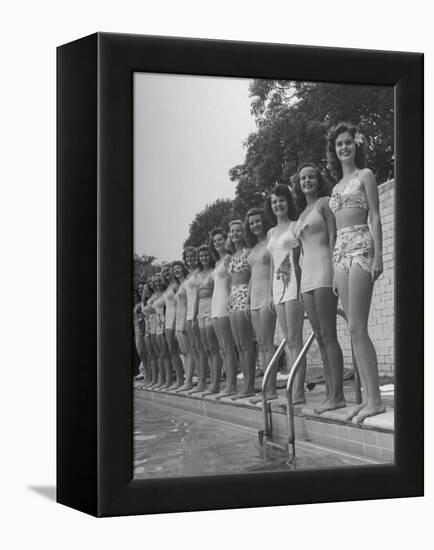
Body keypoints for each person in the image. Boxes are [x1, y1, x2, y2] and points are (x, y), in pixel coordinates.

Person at [327, 122, 385, 423]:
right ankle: (367, 399)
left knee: (358, 327)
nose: (344, 147)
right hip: (341, 255)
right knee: (351, 329)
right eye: (339, 144)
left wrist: (379, 255)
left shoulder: (366, 176)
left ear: (355, 145)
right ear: (334, 151)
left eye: (348, 142)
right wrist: (334, 266)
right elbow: (335, 232)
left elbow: (375, 216)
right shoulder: (335, 188)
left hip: (362, 246)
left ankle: (375, 400)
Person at [293, 162, 346, 413]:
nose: (307, 181)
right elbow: (300, 253)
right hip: (307, 280)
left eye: (311, 177)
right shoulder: (301, 213)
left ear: (317, 179)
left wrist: (336, 273)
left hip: (325, 271)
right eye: (303, 178)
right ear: (299, 183)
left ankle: (338, 395)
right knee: (319, 339)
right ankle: (330, 393)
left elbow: (334, 238)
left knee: (329, 335)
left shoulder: (324, 203)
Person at [264, 184, 306, 404]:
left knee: (295, 340)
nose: (278, 204)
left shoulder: (295, 226)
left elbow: (300, 260)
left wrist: (300, 288)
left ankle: (298, 391)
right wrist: (271, 294)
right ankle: (294, 387)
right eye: (274, 202)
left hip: (293, 285)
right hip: (277, 287)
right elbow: (272, 264)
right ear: (271, 207)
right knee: (288, 340)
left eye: (281, 200)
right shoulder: (271, 232)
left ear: (288, 202)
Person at [244, 208, 277, 403]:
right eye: (252, 223)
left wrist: (272, 295)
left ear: (263, 221)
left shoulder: (270, 242)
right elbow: (251, 278)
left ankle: (271, 390)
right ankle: (266, 388)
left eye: (257, 221)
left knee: (267, 344)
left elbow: (274, 268)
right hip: (254, 301)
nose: (255, 225)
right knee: (261, 345)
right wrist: (248, 300)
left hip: (266, 298)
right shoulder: (254, 248)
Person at [227, 220, 256, 400]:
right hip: (232, 297)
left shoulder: (249, 252)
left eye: (238, 231)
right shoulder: (231, 256)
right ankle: (245, 383)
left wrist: (248, 299)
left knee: (246, 343)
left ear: (243, 232)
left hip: (244, 294)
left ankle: (250, 385)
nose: (235, 234)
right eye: (232, 231)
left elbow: (253, 276)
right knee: (238, 345)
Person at [209, 227, 238, 399]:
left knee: (228, 347)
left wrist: (231, 302)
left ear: (225, 240)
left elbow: (234, 280)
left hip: (225, 304)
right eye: (215, 241)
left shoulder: (228, 258)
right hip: (215, 304)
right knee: (222, 348)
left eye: (220, 240)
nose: (217, 243)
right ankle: (227, 383)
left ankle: (232, 385)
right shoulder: (217, 262)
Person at [194, 244, 222, 396]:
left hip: (212, 304)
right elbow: (196, 298)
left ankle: (216, 382)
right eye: (201, 256)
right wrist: (193, 316)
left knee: (213, 347)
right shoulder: (197, 274)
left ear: (210, 256)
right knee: (206, 348)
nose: (203, 258)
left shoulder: (214, 271)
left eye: (206, 255)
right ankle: (210, 382)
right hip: (200, 310)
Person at [184, 246, 208, 393]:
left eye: (193, 256)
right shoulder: (188, 275)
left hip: (197, 312)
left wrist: (195, 314)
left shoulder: (199, 273)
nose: (190, 259)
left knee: (201, 349)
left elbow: (199, 295)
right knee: (193, 349)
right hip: (188, 313)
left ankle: (203, 381)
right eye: (187, 257)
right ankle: (199, 379)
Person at [161, 262, 185, 389]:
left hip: (175, 321)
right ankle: (179, 379)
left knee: (176, 351)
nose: (166, 273)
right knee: (172, 352)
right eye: (164, 271)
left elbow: (179, 304)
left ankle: (181, 379)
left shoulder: (176, 285)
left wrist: (176, 323)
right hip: (168, 322)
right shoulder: (168, 286)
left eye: (168, 270)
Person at [141, 283, 158, 388]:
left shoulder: (155, 297)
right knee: (150, 354)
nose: (145, 291)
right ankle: (151, 378)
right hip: (148, 327)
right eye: (143, 289)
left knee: (155, 353)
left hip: (154, 324)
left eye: (147, 289)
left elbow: (150, 310)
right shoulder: (147, 300)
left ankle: (156, 378)